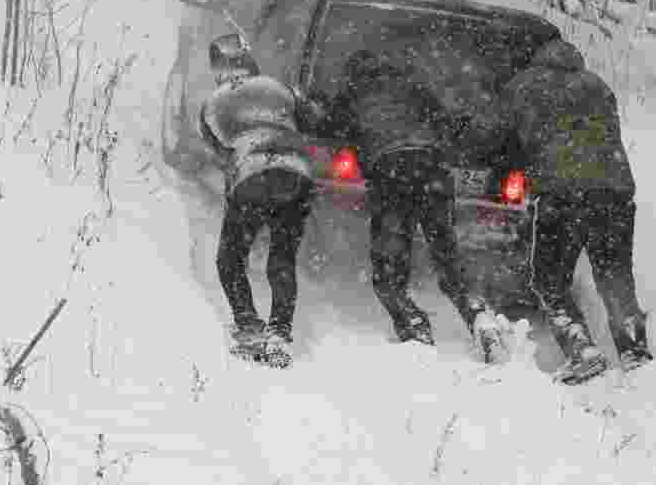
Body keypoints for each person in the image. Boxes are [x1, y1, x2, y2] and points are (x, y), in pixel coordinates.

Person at [330, 50, 502, 359]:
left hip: (390, 174)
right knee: (447, 256)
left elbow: (332, 130)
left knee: (389, 270)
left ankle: (415, 327)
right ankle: (480, 317)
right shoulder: (413, 88)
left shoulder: (353, 93)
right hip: (432, 170)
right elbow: (447, 124)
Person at [500, 38, 653, 384]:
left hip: (562, 194)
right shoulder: (596, 84)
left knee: (548, 281)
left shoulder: (525, 84)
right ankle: (634, 354)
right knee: (614, 277)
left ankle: (582, 352)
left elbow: (499, 133)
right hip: (614, 191)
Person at [199, 36, 328, 369]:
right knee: (282, 257)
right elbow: (314, 120)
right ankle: (280, 332)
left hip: (252, 175)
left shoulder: (214, 103)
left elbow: (218, 149)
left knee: (230, 258)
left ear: (219, 70)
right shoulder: (280, 88)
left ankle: (250, 327)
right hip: (297, 174)